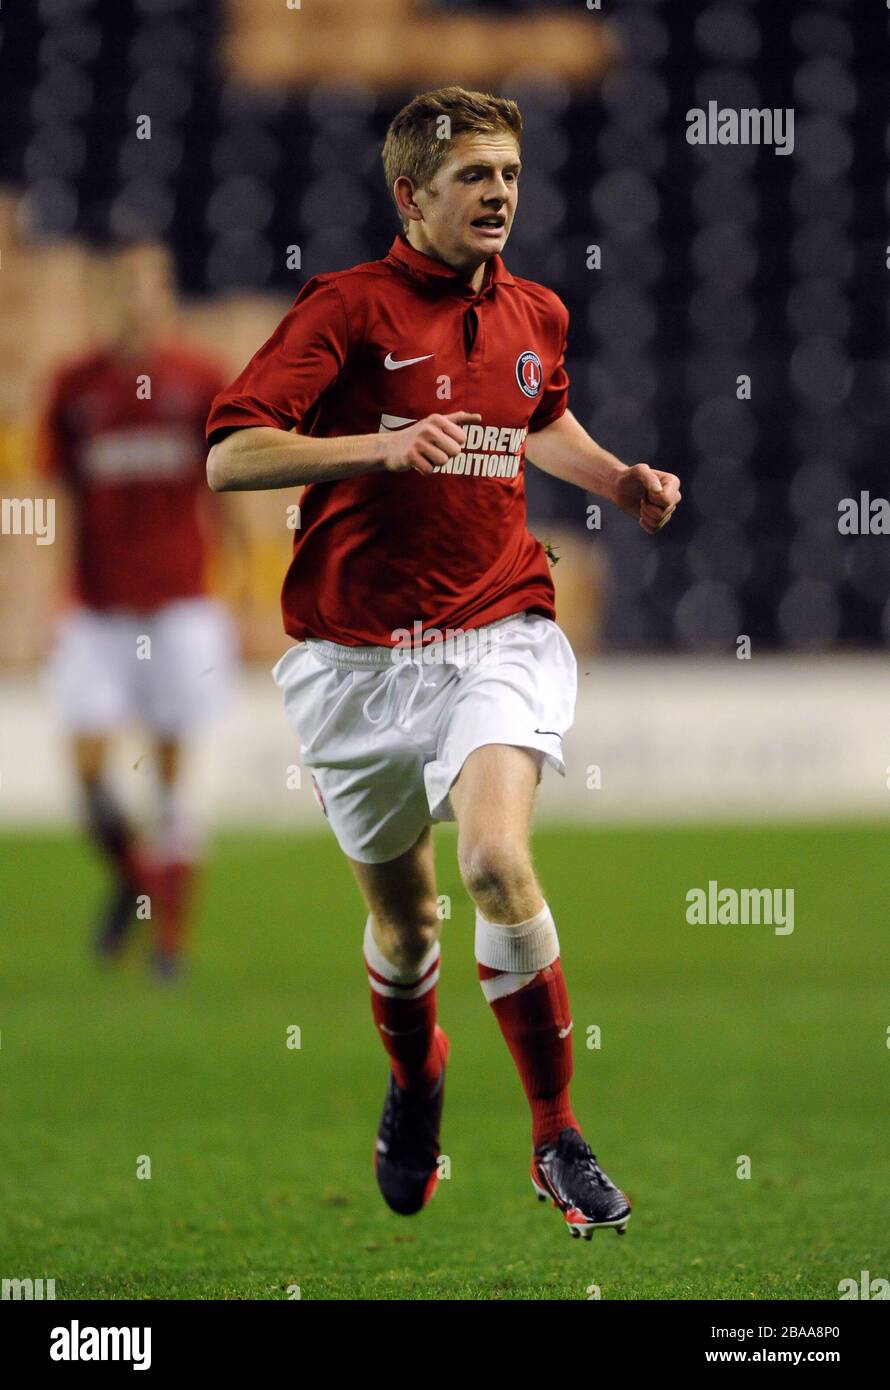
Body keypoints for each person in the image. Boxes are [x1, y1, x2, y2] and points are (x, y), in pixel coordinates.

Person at [205, 87, 681, 1237]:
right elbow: (229, 456)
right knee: (406, 928)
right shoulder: (344, 308)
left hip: (494, 628)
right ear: (411, 194)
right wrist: (377, 444)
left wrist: (616, 479)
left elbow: (536, 421)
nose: (501, 196)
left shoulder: (535, 314)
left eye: (510, 176)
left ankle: (554, 1134)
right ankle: (416, 1078)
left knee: (494, 862)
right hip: (353, 660)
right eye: (476, 178)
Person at [41, 242, 238, 980]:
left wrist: (246, 588)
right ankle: (137, 880)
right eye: (125, 286)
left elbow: (225, 488)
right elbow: (56, 493)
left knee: (171, 778)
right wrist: (41, 593)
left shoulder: (199, 379)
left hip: (182, 603)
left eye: (151, 285)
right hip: (97, 608)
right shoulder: (74, 387)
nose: (138, 299)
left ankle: (168, 945)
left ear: (167, 294)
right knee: (89, 770)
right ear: (105, 296)